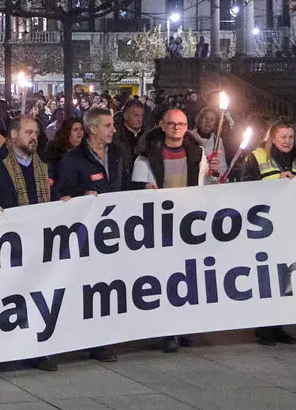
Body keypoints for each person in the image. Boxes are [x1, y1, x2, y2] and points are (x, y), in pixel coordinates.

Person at [53, 106, 131, 365]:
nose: (113, 130)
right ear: (93, 129)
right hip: (86, 236)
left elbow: (125, 185)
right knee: (87, 288)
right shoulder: (73, 160)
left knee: (109, 287)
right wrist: (81, 199)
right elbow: (61, 195)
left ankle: (104, 339)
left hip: (115, 233)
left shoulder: (118, 154)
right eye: (108, 125)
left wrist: (144, 188)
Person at [130, 109, 208, 353]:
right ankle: (166, 331)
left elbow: (204, 187)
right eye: (172, 124)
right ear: (162, 126)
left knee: (184, 278)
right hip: (159, 226)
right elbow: (135, 192)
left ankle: (181, 326)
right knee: (162, 280)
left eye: (182, 124)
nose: (176, 128)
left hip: (186, 226)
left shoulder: (198, 154)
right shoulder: (145, 158)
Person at [241, 121, 296, 346]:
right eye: (283, 137)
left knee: (286, 278)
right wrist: (276, 184)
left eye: (291, 137)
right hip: (265, 227)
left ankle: (279, 326)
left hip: (290, 226)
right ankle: (263, 329)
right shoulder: (256, 157)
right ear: (272, 138)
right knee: (266, 278)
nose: (287, 142)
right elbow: (245, 188)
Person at [0, 116, 50, 212]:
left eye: (36, 133)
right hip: (6, 225)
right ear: (13, 134)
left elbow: (56, 192)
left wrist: (63, 200)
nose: (34, 137)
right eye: (29, 132)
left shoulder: (45, 162)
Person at [40, 117, 84, 186]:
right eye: (75, 130)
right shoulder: (55, 151)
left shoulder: (85, 149)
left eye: (81, 129)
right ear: (67, 132)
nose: (79, 132)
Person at [113, 99, 148, 165]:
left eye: (142, 115)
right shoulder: (114, 135)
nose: (140, 119)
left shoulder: (147, 135)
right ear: (125, 116)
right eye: (136, 115)